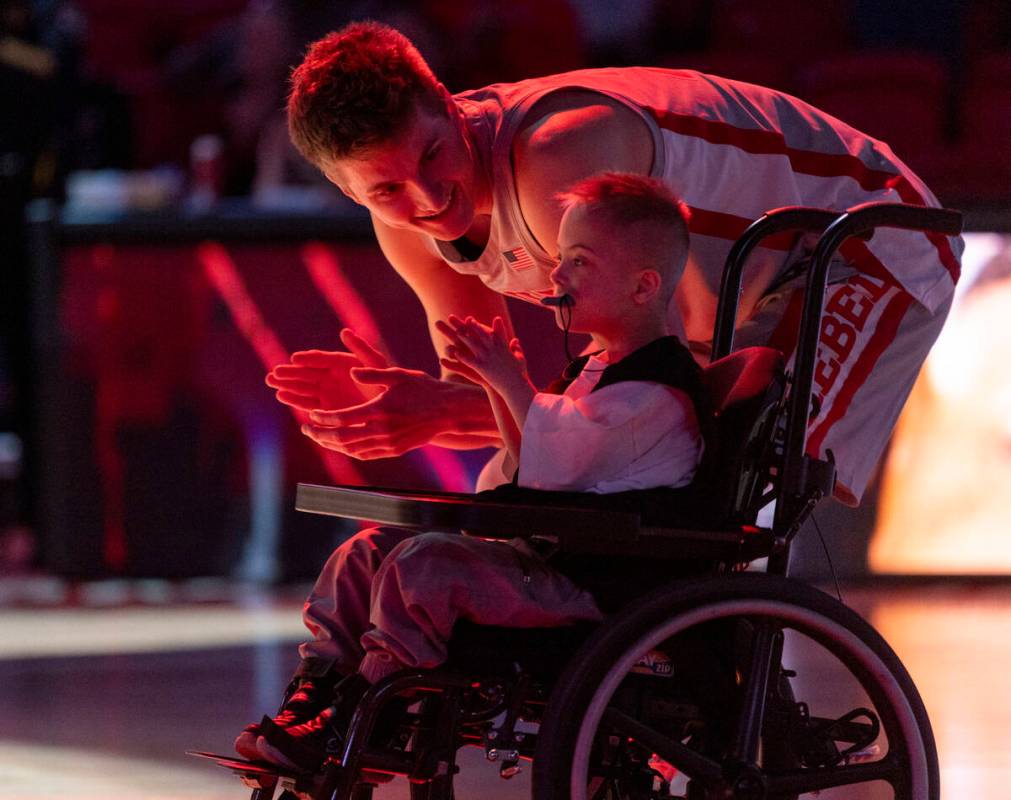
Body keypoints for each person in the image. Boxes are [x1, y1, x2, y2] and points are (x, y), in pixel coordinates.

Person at [266, 20, 963, 508]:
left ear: (451, 108)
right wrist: (412, 408)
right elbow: (510, 414)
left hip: (862, 237)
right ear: (348, 194)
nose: (426, 198)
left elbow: (649, 399)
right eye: (386, 190)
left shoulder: (556, 159)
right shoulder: (410, 235)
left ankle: (728, 686)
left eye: (431, 154)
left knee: (731, 464)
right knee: (578, 478)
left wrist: (440, 412)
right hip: (737, 285)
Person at [236, 173, 705, 769]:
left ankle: (369, 712)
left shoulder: (655, 391)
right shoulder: (595, 370)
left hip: (599, 585)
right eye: (561, 259)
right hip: (552, 560)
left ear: (644, 287)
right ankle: (318, 690)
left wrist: (508, 381)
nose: (557, 277)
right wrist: (499, 385)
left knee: (426, 566)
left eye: (579, 262)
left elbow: (550, 472)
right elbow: (531, 458)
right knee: (366, 553)